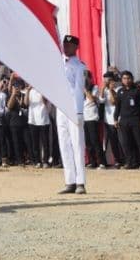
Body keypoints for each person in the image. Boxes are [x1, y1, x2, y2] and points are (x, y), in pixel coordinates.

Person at [56, 35, 87, 195]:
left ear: (76, 47)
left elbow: (79, 91)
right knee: (64, 145)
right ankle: (70, 181)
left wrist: (79, 111)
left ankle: (80, 182)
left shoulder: (79, 66)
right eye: (64, 45)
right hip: (61, 108)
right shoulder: (58, 63)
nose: (66, 48)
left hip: (74, 109)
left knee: (77, 145)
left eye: (69, 45)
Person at [114, 71, 140, 169]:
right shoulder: (120, 91)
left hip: (136, 119)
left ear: (132, 79)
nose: (126, 80)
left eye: (128, 78)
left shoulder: (137, 90)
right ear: (122, 80)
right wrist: (115, 119)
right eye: (124, 78)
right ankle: (130, 162)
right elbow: (117, 106)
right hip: (124, 121)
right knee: (127, 142)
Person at [83, 70, 106, 169]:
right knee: (88, 142)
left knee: (95, 141)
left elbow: (92, 99)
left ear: (90, 78)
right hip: (84, 117)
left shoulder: (95, 87)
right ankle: (92, 162)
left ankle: (101, 162)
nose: (84, 79)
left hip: (92, 117)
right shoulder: (80, 89)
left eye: (85, 77)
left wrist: (85, 90)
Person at [100, 72, 124, 168]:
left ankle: (126, 159)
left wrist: (110, 90)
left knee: (122, 140)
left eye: (109, 80)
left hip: (118, 118)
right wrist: (103, 88)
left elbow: (114, 102)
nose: (107, 81)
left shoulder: (118, 89)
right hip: (107, 119)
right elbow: (101, 100)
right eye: (105, 80)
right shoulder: (104, 89)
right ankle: (117, 160)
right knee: (113, 141)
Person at [27, 83, 50, 168]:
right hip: (33, 120)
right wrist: (28, 90)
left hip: (44, 119)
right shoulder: (31, 91)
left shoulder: (45, 90)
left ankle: (45, 161)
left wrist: (42, 92)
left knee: (45, 142)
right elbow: (26, 103)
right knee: (35, 142)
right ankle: (37, 161)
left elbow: (45, 102)